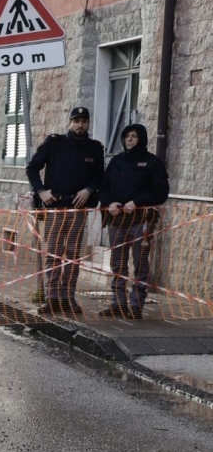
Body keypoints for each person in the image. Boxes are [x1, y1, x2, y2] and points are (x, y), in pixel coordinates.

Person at [26, 106, 104, 315]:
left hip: (78, 209)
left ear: (88, 124)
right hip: (56, 208)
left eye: (84, 121)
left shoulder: (95, 148)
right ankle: (51, 298)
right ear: (69, 123)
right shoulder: (54, 143)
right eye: (76, 121)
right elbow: (32, 168)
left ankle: (67, 297)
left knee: (72, 255)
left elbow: (99, 176)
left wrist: (89, 190)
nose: (80, 125)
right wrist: (41, 191)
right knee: (53, 253)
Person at [98, 123, 169, 319]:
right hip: (116, 221)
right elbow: (103, 187)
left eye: (134, 136)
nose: (129, 139)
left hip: (141, 221)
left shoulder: (153, 163)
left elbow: (160, 192)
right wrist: (109, 203)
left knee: (140, 263)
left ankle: (136, 304)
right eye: (127, 136)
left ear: (142, 139)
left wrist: (137, 202)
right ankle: (117, 303)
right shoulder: (116, 162)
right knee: (118, 264)